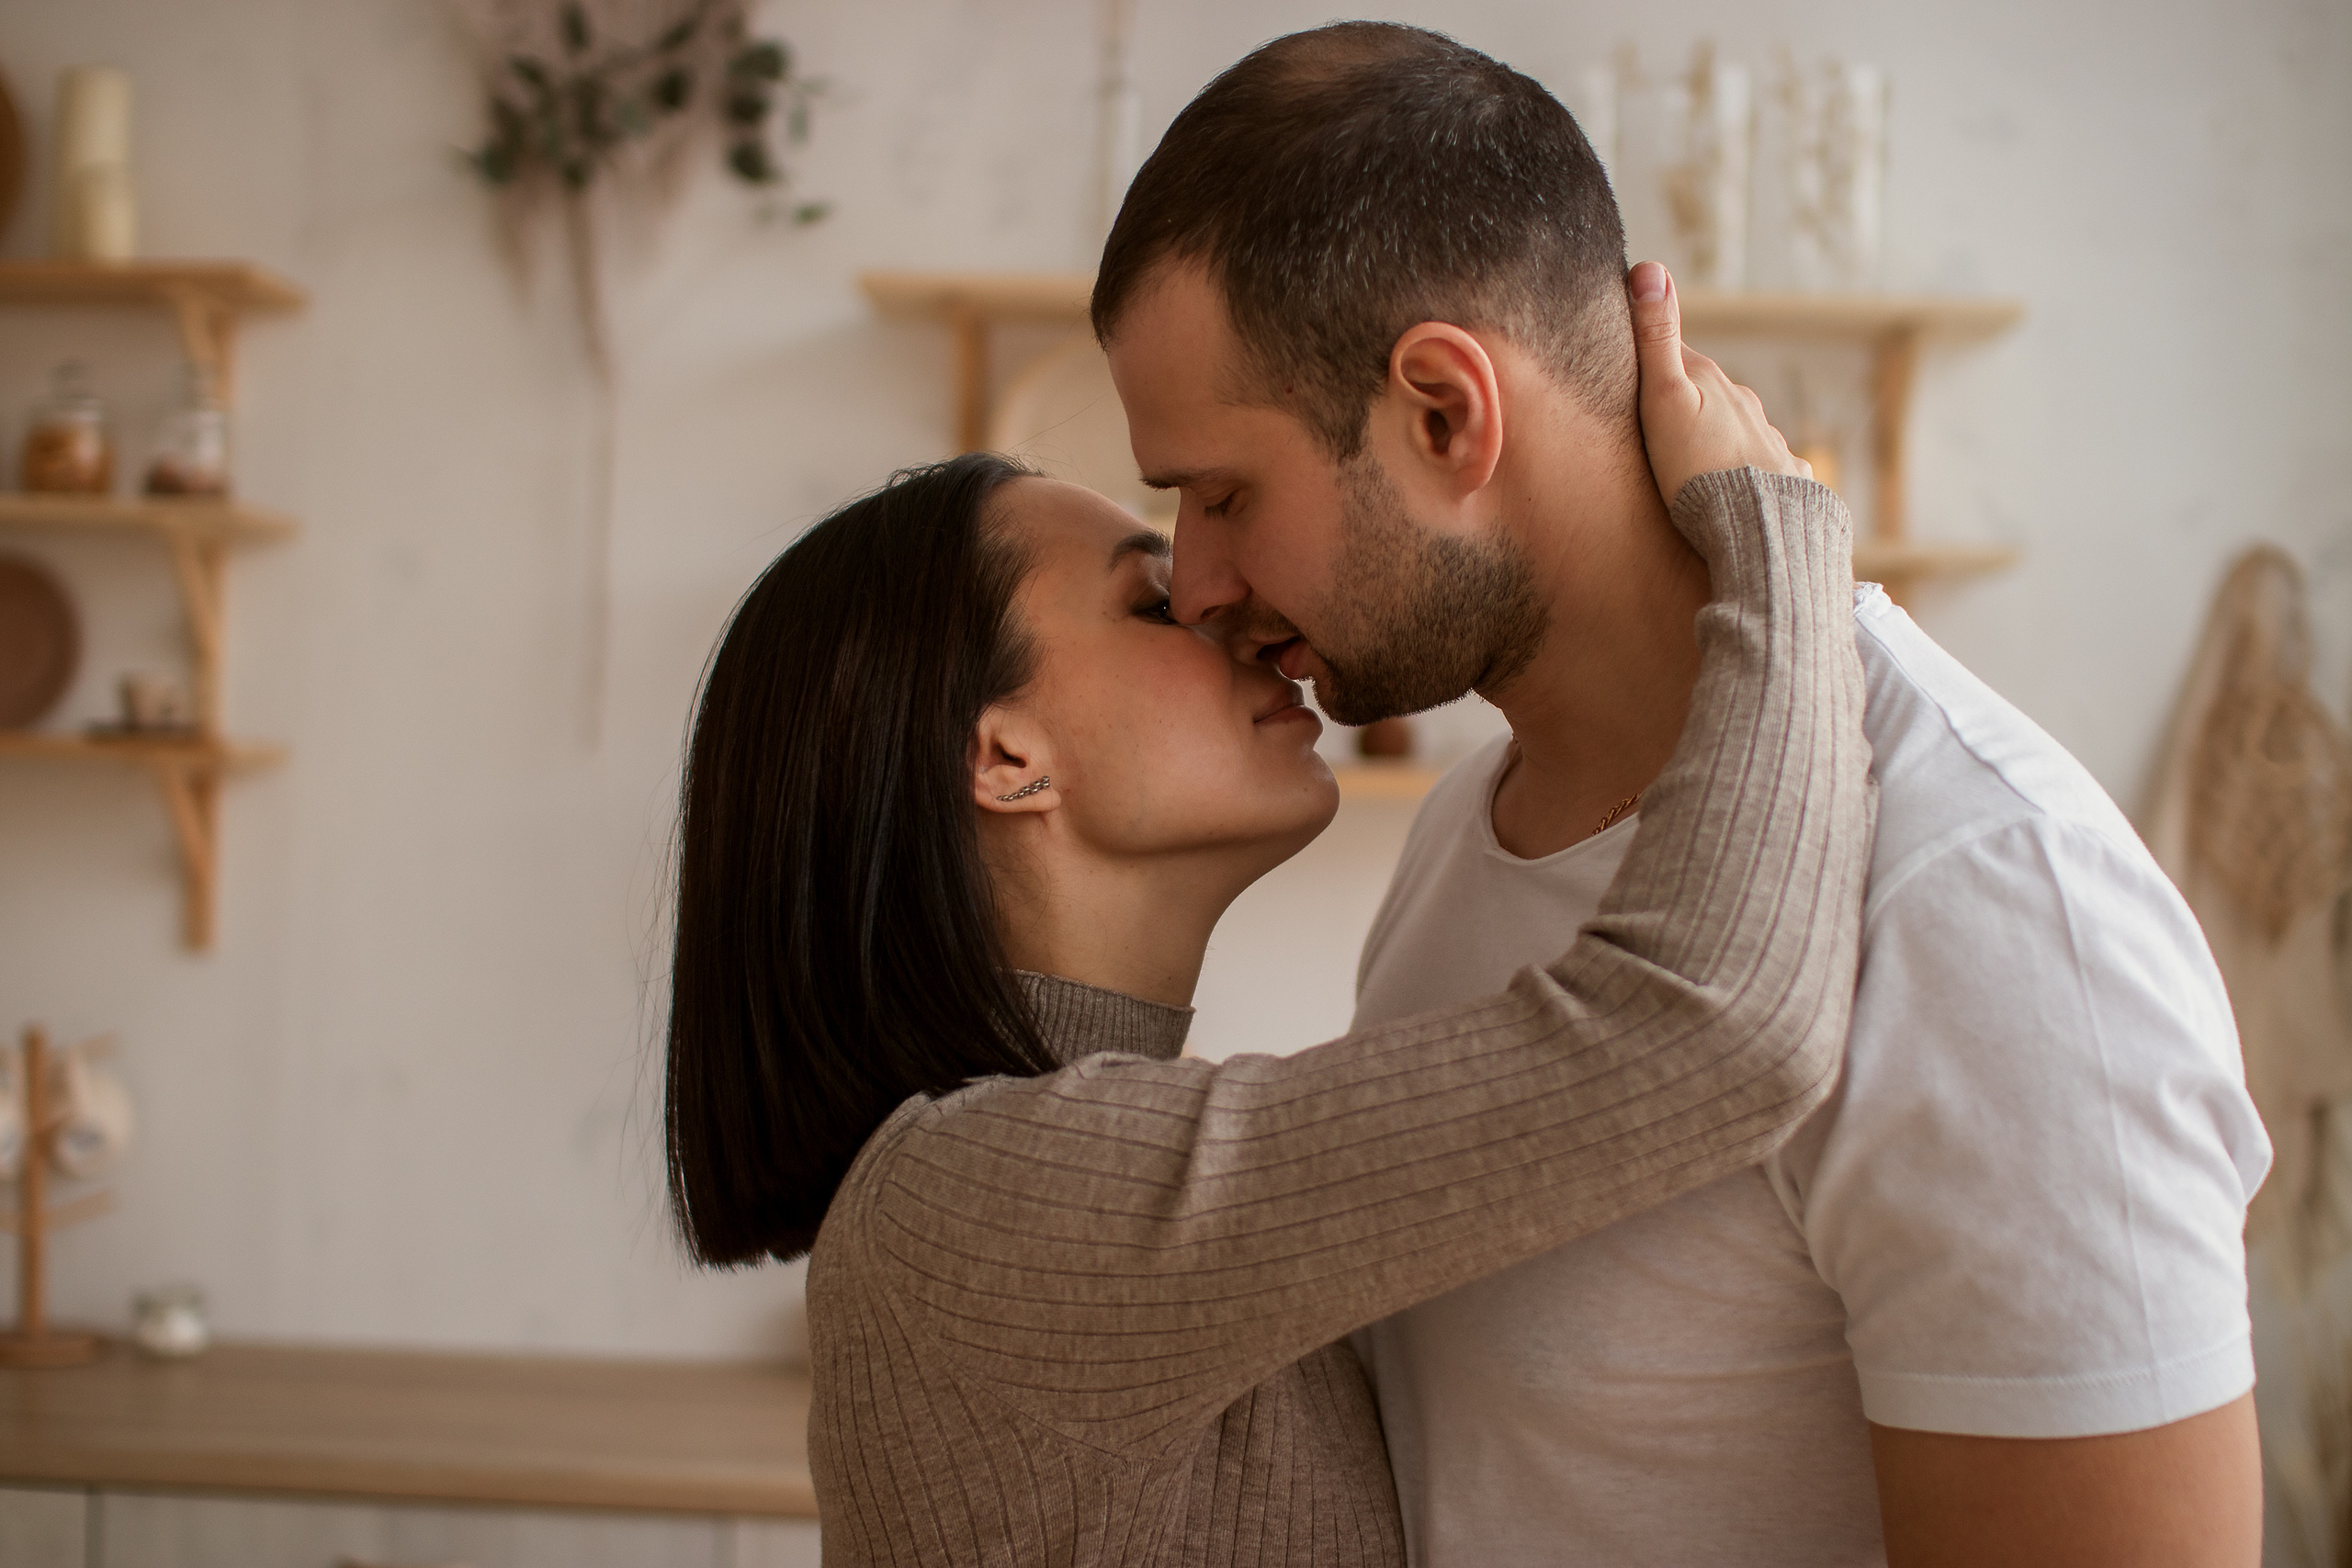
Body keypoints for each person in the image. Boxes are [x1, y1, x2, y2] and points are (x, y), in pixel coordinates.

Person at [1092, 22, 2271, 1568]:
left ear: (1446, 413)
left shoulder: (1986, 902)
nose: (1201, 583)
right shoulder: (1468, 835)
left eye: (1224, 495)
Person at [663, 314, 1871, 1560]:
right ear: (1006, 757)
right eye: (1150, 603)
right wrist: (1773, 526)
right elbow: (1712, 1035)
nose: (1219, 604)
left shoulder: (1058, 1180)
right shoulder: (975, 1208)